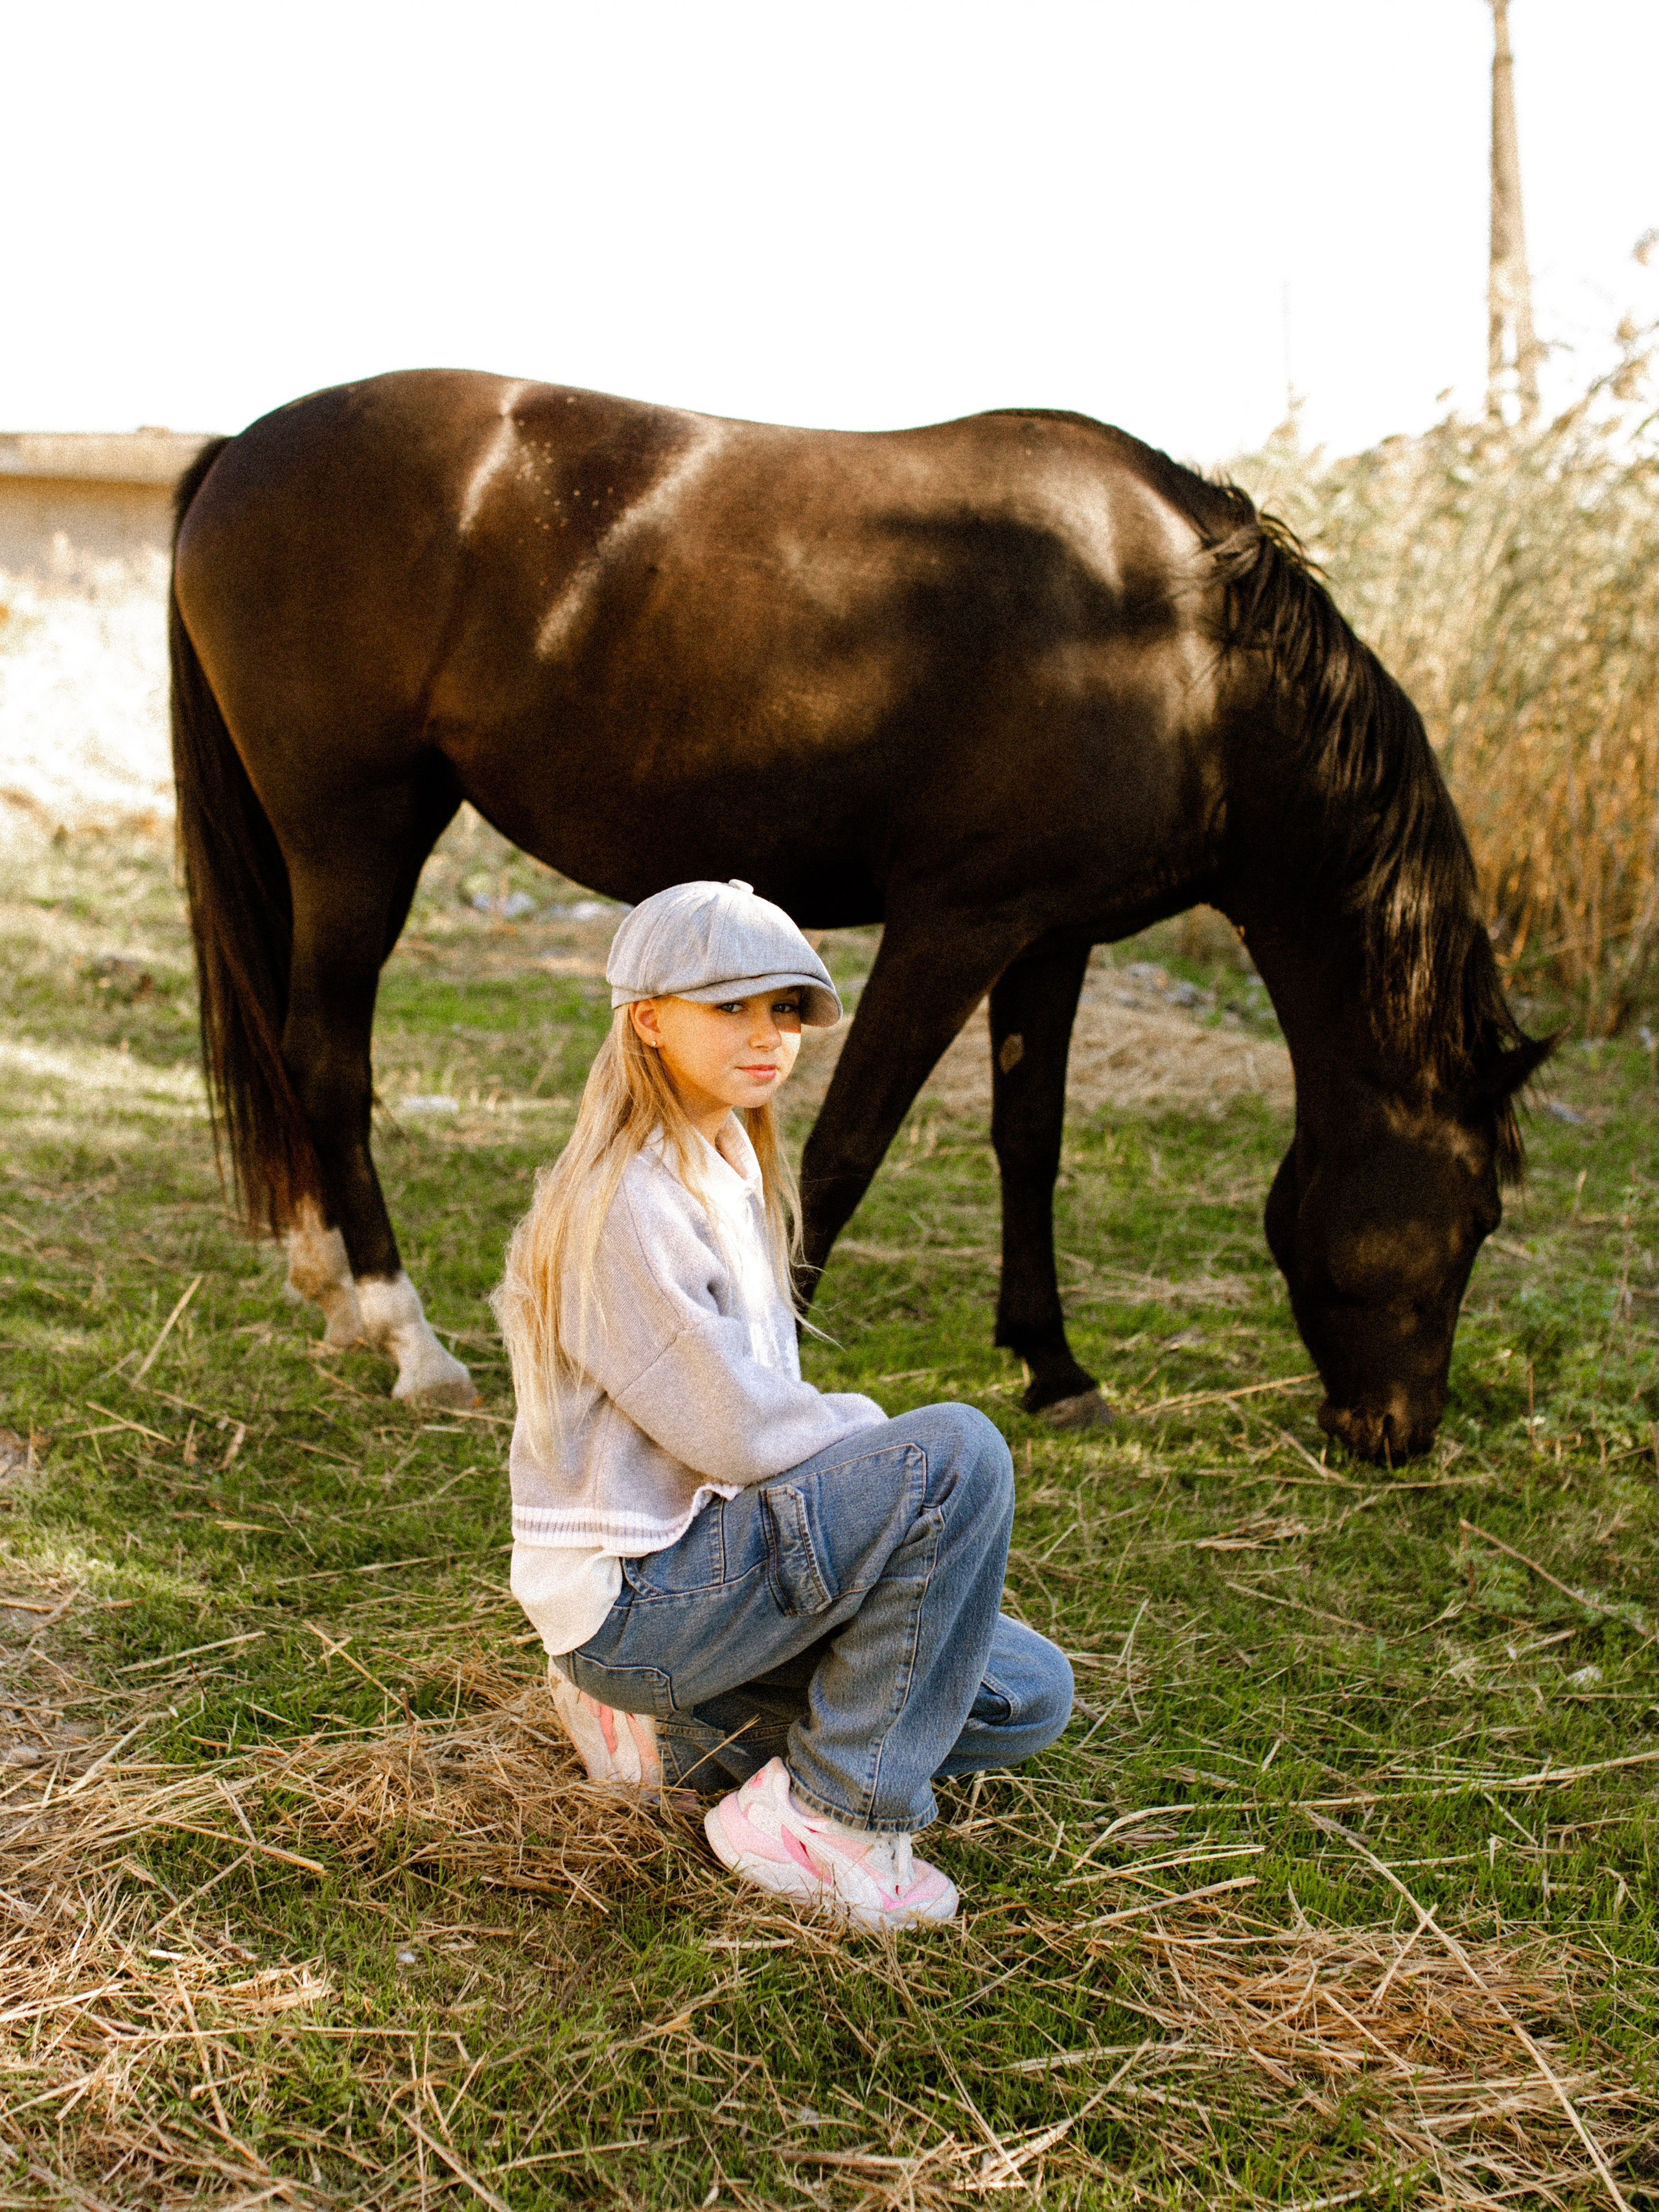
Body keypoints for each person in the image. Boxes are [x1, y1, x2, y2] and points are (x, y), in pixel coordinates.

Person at [494, 879, 1073, 1930]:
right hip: (638, 1594)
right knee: (959, 1457)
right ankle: (826, 1818)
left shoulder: (726, 1164)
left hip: (715, 1562)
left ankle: (684, 1740)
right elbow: (740, 1429)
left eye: (787, 1010)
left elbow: (756, 1428)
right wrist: (878, 1447)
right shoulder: (627, 1200)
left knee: (1027, 1689)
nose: (769, 1036)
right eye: (732, 1007)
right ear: (649, 1019)